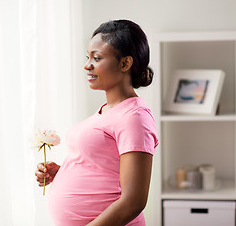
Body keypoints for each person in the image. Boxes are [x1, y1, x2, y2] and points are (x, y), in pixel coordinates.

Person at [35, 19, 159, 226]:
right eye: (88, 57)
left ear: (125, 63)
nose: (87, 65)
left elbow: (134, 201)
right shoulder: (108, 111)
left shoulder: (135, 117)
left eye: (97, 58)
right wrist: (63, 171)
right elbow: (103, 164)